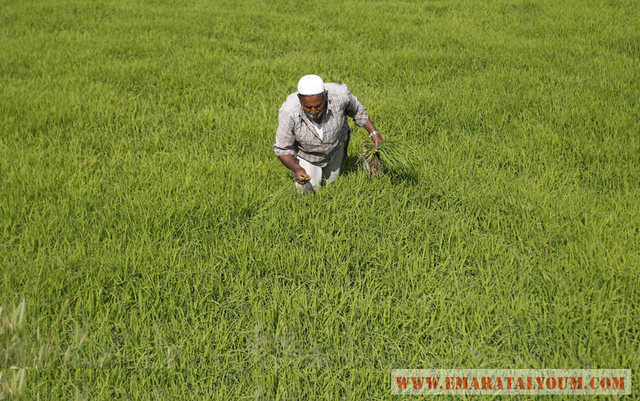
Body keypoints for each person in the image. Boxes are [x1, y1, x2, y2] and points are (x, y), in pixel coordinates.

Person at [274, 74, 383, 193]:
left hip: (335, 147)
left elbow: (358, 111)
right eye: (308, 107)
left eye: (318, 106)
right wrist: (297, 168)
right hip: (307, 154)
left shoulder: (340, 95)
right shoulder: (289, 111)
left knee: (331, 185)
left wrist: (374, 134)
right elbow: (282, 149)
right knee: (306, 189)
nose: (314, 111)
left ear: (325, 95)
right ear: (300, 98)